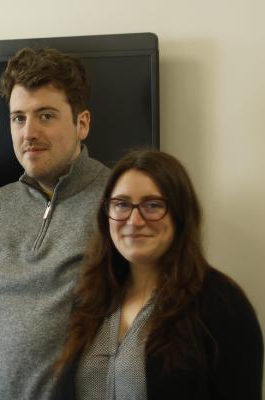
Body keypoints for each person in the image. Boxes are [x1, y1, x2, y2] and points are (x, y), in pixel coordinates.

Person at [0, 48, 110, 400]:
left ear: (82, 124)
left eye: (45, 116)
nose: (28, 133)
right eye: (18, 118)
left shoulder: (116, 202)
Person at [52, 150, 263, 399]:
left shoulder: (223, 303)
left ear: (180, 214)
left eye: (152, 205)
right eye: (121, 204)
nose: (134, 220)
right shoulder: (90, 297)